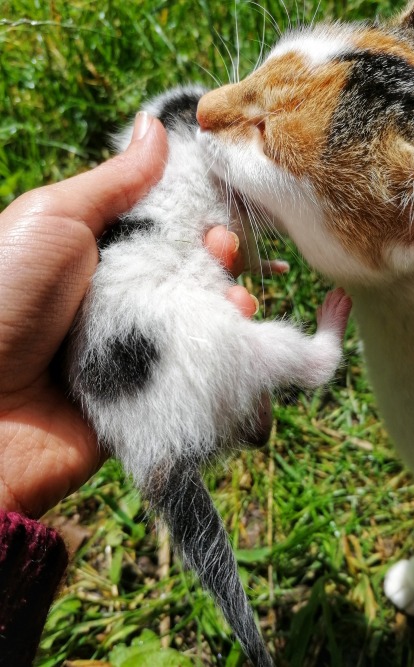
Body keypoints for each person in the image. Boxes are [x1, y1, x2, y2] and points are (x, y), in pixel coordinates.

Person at [0, 112, 266, 667]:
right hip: (131, 324)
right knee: (225, 327)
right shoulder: (195, 147)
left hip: (127, 332)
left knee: (216, 329)